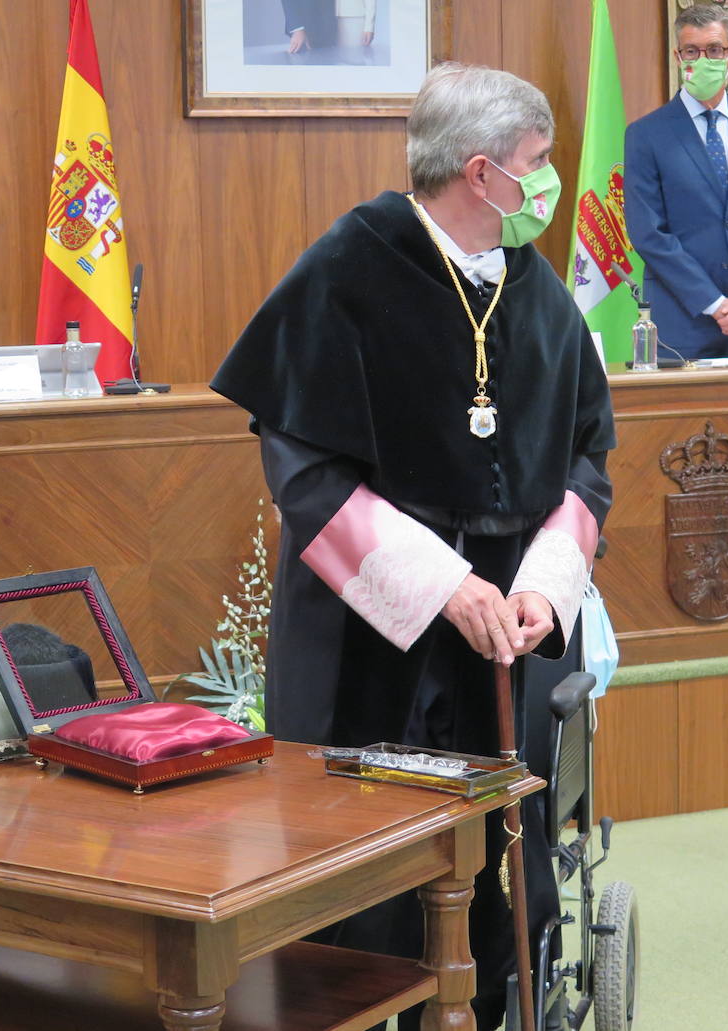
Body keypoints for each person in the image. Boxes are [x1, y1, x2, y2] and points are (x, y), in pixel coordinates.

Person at [211, 62, 614, 1030]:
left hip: (505, 634)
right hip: (369, 632)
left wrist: (546, 587)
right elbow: (304, 473)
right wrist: (445, 586)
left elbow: (588, 452)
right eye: (538, 165)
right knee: (365, 870)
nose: (549, 183)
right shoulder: (346, 270)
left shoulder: (535, 284)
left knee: (497, 854)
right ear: (480, 174)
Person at [624, 3, 728, 361]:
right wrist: (714, 303)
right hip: (680, 324)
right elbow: (648, 233)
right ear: (678, 56)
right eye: (692, 51)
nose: (703, 60)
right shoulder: (645, 135)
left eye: (715, 49)